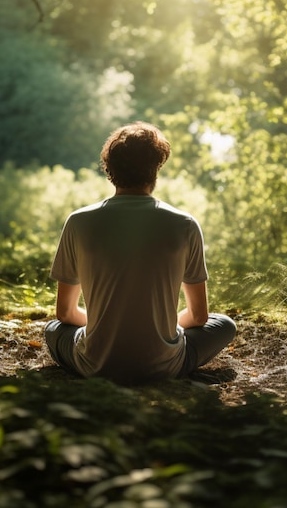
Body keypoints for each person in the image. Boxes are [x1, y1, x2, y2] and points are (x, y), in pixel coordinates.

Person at [45, 121, 236, 384]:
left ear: (109, 168)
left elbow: (65, 314)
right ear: (156, 167)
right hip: (164, 366)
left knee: (53, 329)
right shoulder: (185, 225)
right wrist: (161, 327)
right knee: (224, 324)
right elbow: (199, 316)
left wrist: (108, 324)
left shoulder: (78, 222)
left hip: (94, 364)